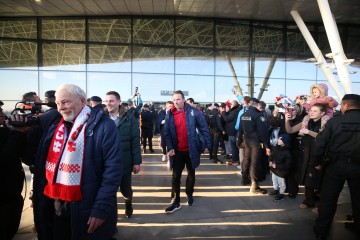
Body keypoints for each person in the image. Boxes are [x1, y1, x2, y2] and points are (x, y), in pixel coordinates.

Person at [29, 84, 122, 239]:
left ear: (82, 100)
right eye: (58, 104)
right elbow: (34, 160)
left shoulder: (104, 127)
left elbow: (112, 172)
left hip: (87, 208)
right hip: (56, 207)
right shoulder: (54, 126)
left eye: (65, 102)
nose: (61, 108)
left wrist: (101, 209)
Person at [312, 94, 360, 240]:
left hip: (335, 165)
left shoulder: (335, 122)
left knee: (328, 199)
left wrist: (316, 163)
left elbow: (320, 144)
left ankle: (321, 231)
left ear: (345, 105)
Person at [164, 90, 211, 213]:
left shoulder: (194, 112)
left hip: (192, 150)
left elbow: (204, 128)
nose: (176, 102)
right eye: (174, 100)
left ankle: (189, 194)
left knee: (191, 175)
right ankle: (176, 201)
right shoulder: (170, 114)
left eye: (178, 99)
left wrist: (207, 144)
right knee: (175, 177)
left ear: (184, 99)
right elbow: (167, 133)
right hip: (177, 151)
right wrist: (170, 148)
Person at [105, 91, 142, 219]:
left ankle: (128, 204)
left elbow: (135, 141)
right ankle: (112, 218)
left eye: (111, 101)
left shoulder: (129, 118)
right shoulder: (102, 117)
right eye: (107, 101)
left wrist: (137, 162)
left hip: (124, 162)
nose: (108, 103)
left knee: (126, 190)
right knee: (109, 192)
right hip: (107, 164)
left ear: (119, 102)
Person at [0, 104, 29, 240]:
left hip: (12, 194)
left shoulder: (5, 132)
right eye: (0, 112)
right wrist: (17, 132)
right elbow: (5, 157)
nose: (3, 114)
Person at [238, 98, 270, 194]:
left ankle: (244, 179)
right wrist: (267, 146)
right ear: (256, 104)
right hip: (255, 142)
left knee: (246, 160)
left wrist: (239, 140)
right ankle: (254, 185)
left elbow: (240, 130)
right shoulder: (258, 115)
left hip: (246, 140)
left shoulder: (244, 115)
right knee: (254, 163)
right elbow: (263, 133)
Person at [298, 104, 326, 210]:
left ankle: (322, 204)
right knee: (307, 180)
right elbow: (291, 130)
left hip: (319, 156)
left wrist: (308, 132)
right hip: (307, 155)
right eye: (311, 110)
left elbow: (324, 138)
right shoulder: (306, 122)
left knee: (321, 181)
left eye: (315, 111)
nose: (311, 112)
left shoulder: (326, 124)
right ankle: (309, 200)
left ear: (322, 113)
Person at [268, 134, 291, 201]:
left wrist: (277, 166)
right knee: (274, 180)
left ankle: (281, 194)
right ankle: (276, 190)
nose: (278, 140)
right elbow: (271, 156)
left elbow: (288, 164)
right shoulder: (276, 148)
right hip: (274, 170)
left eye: (280, 139)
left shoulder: (287, 152)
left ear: (284, 141)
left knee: (282, 183)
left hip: (281, 171)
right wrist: (270, 161)